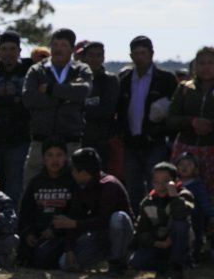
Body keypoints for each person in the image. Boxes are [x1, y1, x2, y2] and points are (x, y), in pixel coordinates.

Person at [22, 28, 92, 194]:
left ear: (72, 49)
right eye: (54, 44)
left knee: (75, 189)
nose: (58, 49)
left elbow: (83, 92)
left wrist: (50, 89)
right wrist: (65, 97)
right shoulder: (37, 70)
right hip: (40, 141)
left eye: (63, 45)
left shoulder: (81, 70)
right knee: (30, 189)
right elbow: (29, 98)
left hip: (71, 142)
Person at [117, 36, 178, 207]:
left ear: (151, 54)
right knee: (133, 189)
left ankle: (160, 223)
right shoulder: (125, 80)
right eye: (136, 53)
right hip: (131, 144)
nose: (140, 57)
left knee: (159, 187)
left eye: (143, 53)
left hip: (156, 144)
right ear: (131, 56)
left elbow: (174, 111)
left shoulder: (166, 79)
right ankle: (138, 225)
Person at [54, 147, 133, 274]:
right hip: (99, 236)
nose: (72, 173)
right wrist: (69, 250)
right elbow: (75, 216)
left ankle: (119, 261)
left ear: (83, 173)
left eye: (74, 170)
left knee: (117, 218)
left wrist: (75, 224)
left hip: (121, 234)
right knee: (64, 263)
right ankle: (107, 257)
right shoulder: (81, 187)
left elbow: (105, 220)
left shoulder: (109, 185)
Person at [0, 30, 31, 203]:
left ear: (19, 51)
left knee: (15, 187)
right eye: (4, 49)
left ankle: (11, 225)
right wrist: (13, 102)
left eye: (13, 49)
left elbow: (27, 103)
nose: (8, 53)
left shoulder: (28, 72)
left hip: (19, 141)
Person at [129, 162, 193, 279]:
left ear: (175, 181)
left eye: (166, 181)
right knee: (136, 262)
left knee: (180, 224)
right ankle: (166, 267)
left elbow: (181, 214)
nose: (161, 185)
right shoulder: (147, 202)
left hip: (179, 244)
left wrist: (174, 195)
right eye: (156, 182)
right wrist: (158, 243)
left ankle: (178, 266)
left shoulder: (184, 195)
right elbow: (141, 231)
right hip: (158, 245)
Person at [18, 140, 75, 268]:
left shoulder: (72, 181)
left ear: (66, 157)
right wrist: (29, 233)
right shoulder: (36, 182)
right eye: (50, 155)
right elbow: (26, 211)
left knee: (43, 255)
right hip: (38, 233)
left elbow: (75, 212)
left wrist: (54, 231)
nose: (55, 160)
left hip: (62, 235)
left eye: (59, 155)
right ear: (43, 159)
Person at [167, 46, 214, 196]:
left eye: (210, 63)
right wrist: (191, 121)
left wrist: (209, 125)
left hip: (211, 149)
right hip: (185, 151)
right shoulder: (184, 88)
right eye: (201, 63)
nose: (206, 67)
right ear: (195, 65)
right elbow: (170, 120)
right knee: (182, 194)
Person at [79, 41, 120, 169]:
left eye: (99, 55)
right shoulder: (75, 79)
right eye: (91, 55)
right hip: (78, 139)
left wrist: (82, 109)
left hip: (102, 141)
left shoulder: (110, 81)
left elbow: (108, 110)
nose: (95, 59)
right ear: (84, 58)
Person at [175, 151, 214, 261]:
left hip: (195, 216)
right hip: (177, 216)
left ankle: (194, 256)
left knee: (196, 236)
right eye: (181, 164)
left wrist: (211, 215)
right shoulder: (173, 184)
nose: (184, 167)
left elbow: (204, 202)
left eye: (189, 165)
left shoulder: (197, 185)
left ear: (196, 169)